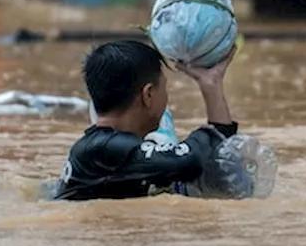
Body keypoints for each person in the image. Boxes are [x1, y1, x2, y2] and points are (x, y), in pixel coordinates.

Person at [54, 40, 238, 201]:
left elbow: (210, 153)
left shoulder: (105, 147)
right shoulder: (102, 149)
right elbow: (189, 161)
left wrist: (212, 85)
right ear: (148, 95)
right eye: (165, 88)